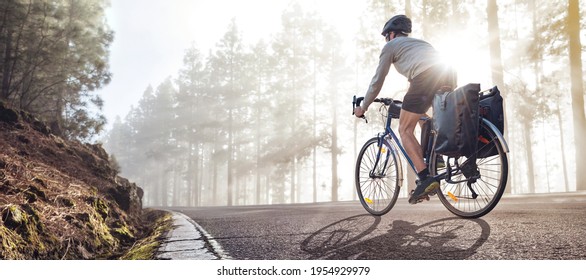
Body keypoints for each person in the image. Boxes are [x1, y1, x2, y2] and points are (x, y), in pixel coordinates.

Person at [353, 15, 455, 204]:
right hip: (448, 74)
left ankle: (425, 178)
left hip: (425, 78)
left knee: (405, 129)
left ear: (391, 34)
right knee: (425, 120)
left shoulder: (390, 46)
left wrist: (363, 106)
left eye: (386, 36)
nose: (386, 40)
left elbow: (377, 81)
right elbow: (422, 73)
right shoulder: (419, 43)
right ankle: (436, 158)